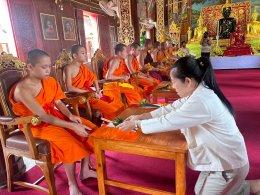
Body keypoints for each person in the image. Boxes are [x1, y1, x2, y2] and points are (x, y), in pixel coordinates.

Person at [118, 56, 249, 194]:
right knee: (199, 190)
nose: (173, 86)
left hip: (228, 164)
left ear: (187, 81)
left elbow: (169, 120)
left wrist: (137, 124)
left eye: (174, 82)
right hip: (219, 157)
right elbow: (169, 109)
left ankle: (246, 186)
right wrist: (141, 116)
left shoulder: (201, 101)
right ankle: (244, 186)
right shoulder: (197, 93)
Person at [9, 49, 97, 195]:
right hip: (35, 124)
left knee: (87, 129)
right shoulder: (23, 89)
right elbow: (43, 116)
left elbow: (58, 102)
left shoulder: (49, 81)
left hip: (53, 116)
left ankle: (85, 171)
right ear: (30, 67)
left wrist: (70, 116)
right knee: (69, 142)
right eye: (44, 67)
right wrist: (72, 126)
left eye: (49, 66)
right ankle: (72, 184)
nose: (48, 70)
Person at [64, 44, 125, 120]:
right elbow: (69, 88)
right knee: (111, 107)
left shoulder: (82, 67)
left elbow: (94, 78)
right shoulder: (69, 68)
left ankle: (117, 121)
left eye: (85, 53)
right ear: (75, 55)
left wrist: (98, 91)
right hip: (79, 97)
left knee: (114, 101)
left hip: (89, 93)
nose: (85, 55)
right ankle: (112, 124)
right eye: (83, 53)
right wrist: (86, 92)